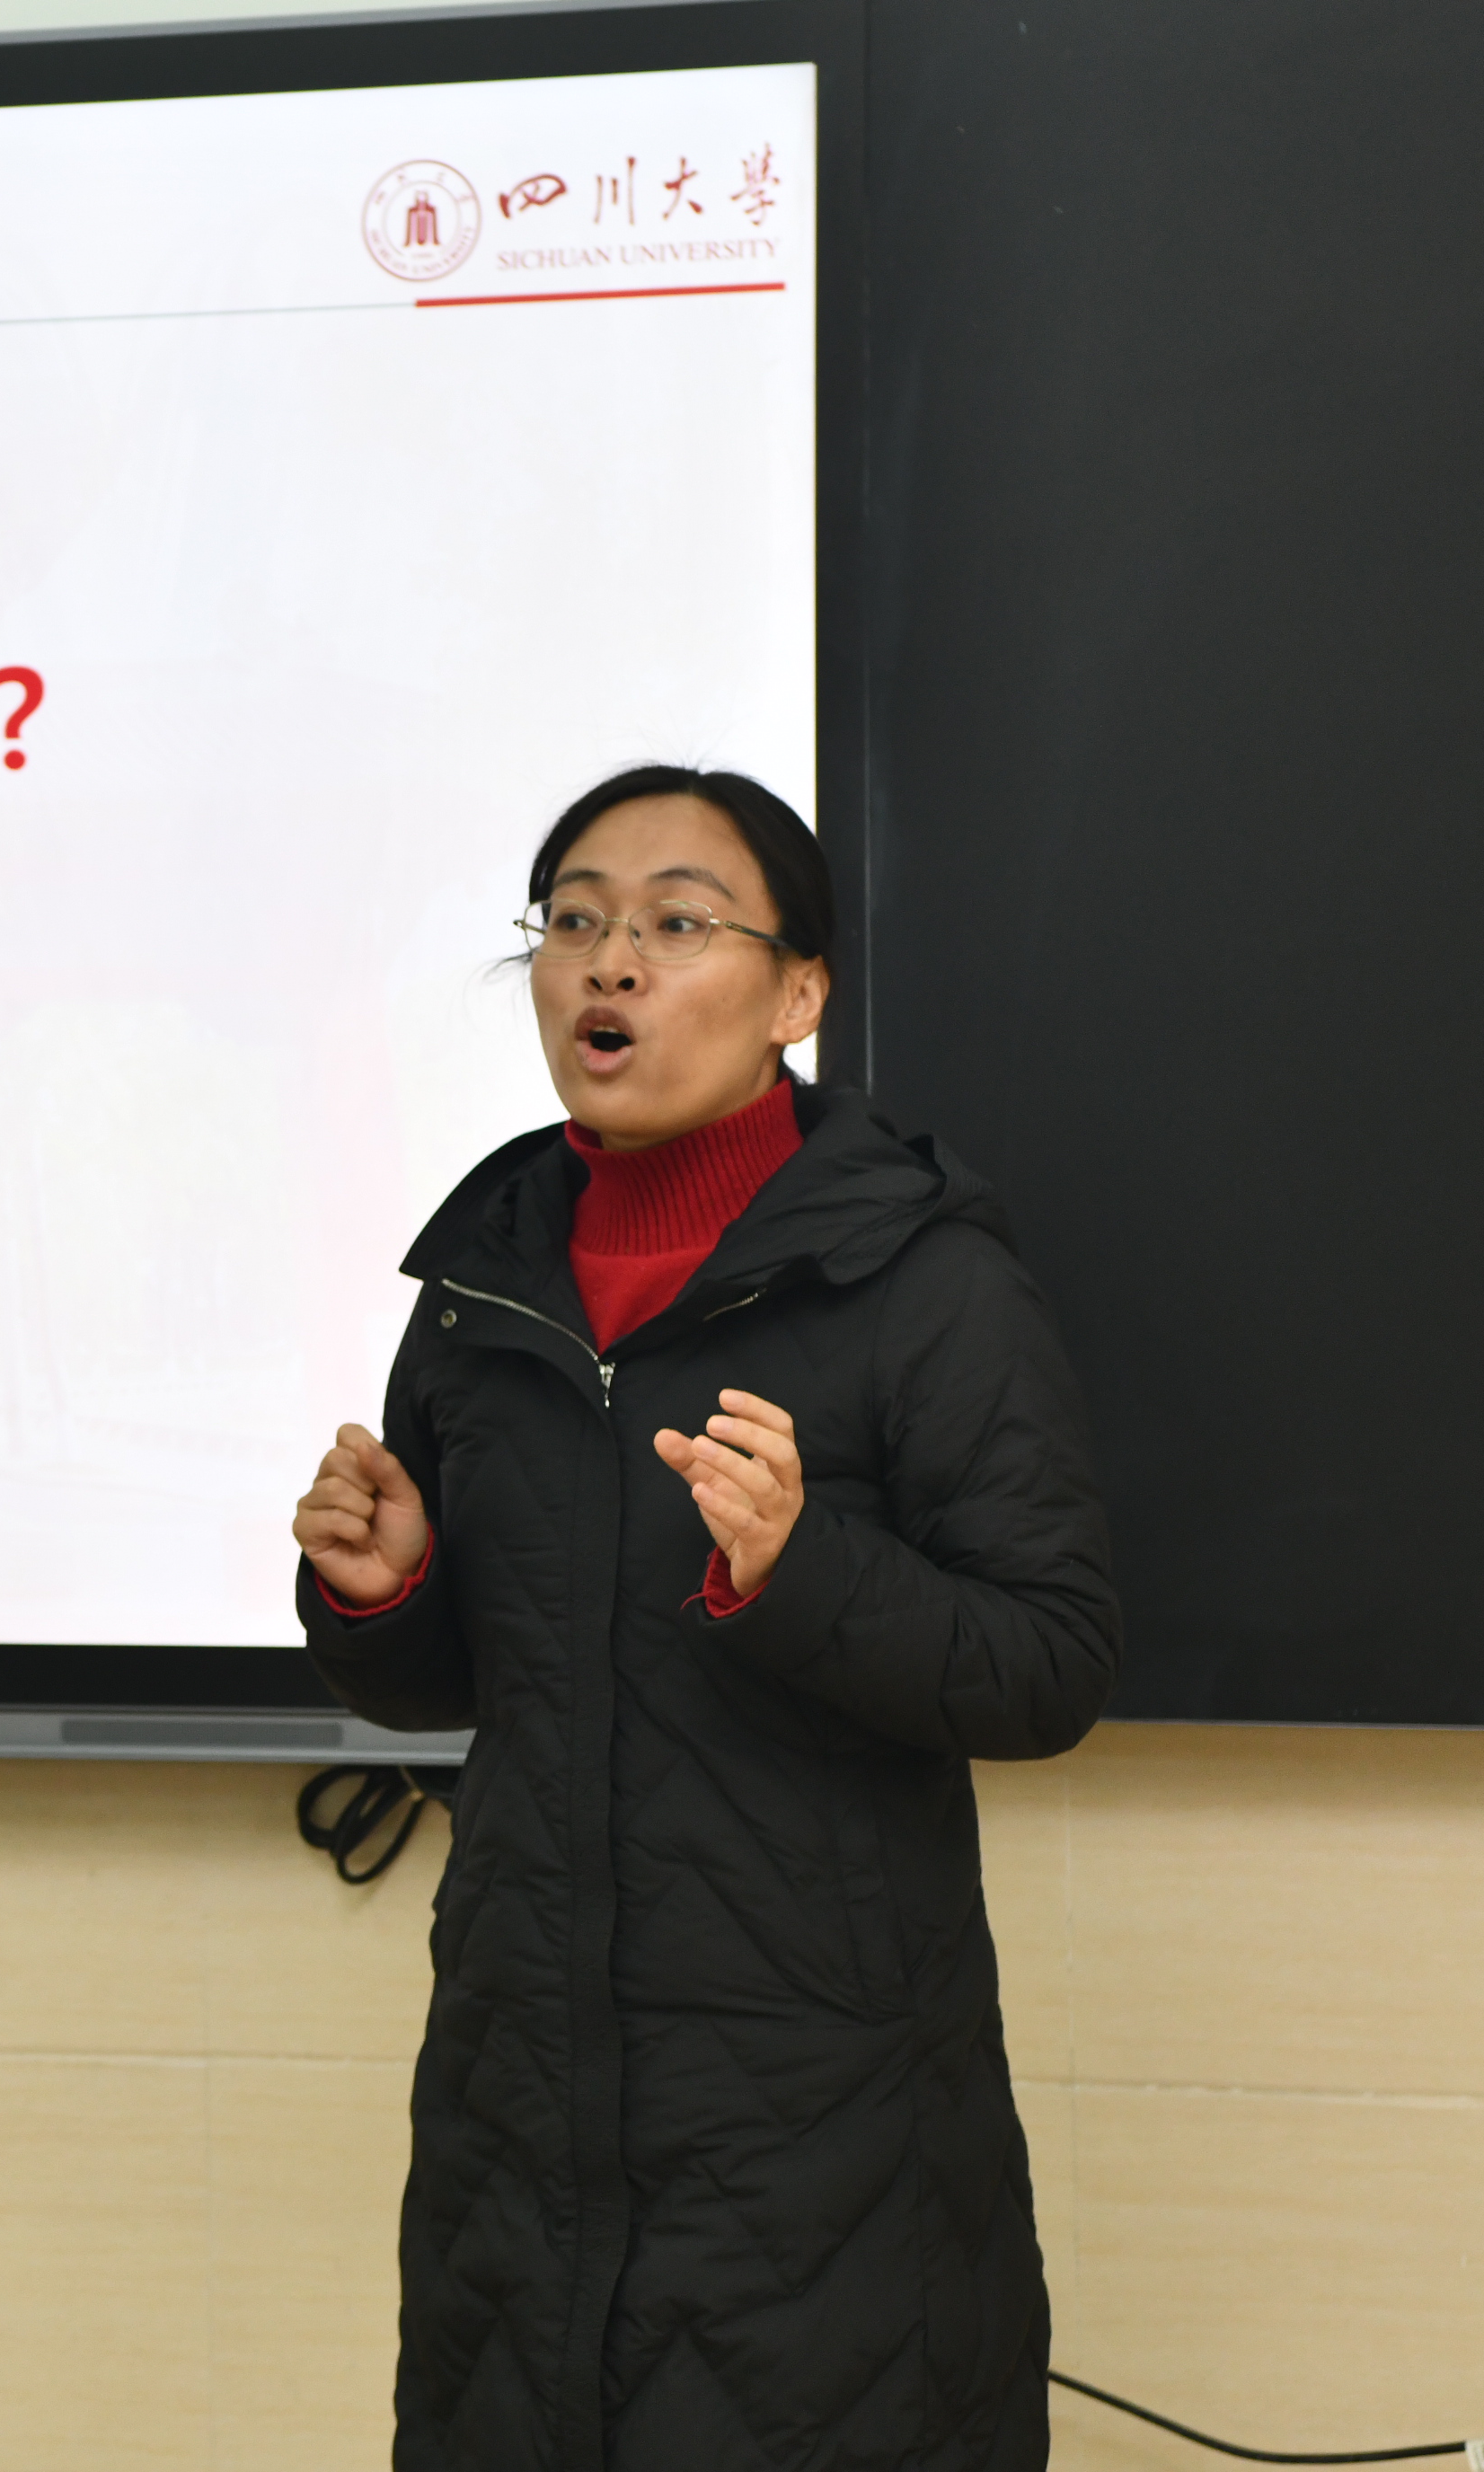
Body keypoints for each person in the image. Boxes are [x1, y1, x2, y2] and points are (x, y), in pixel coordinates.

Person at [291, 764, 1119, 2472]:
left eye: (676, 924)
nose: (610, 962)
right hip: (520, 2110)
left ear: (797, 995)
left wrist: (801, 1574)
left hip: (822, 2131)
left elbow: (1047, 1662)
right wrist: (390, 1593)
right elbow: (480, 1682)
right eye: (574, 920)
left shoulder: (920, 1278)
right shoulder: (486, 1279)